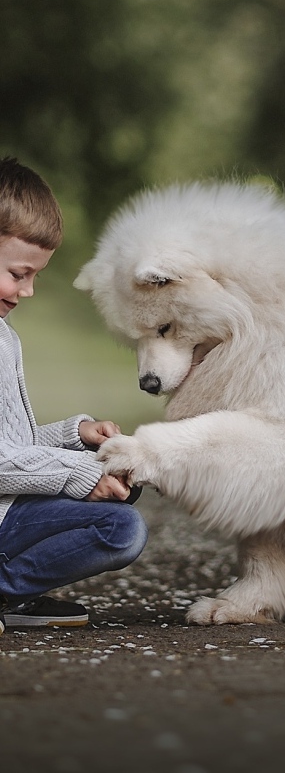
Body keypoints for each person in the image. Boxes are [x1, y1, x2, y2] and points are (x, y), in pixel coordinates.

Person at [0, 157, 148, 634]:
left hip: (8, 509)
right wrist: (81, 476)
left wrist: (75, 436)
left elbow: (12, 446)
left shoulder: (4, 338)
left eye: (35, 276)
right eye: (18, 273)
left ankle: (9, 594)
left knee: (121, 510)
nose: (28, 291)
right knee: (120, 530)